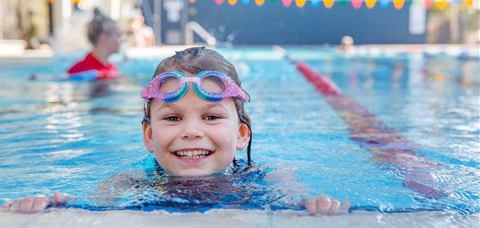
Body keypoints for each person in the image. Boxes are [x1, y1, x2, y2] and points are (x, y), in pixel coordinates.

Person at [2, 47, 351, 215]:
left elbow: (295, 200)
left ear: (242, 134)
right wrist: (54, 201)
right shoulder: (128, 181)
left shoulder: (271, 177)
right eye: (172, 118)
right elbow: (92, 206)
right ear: (149, 136)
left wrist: (312, 204)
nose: (191, 131)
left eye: (211, 117)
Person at [66, 8, 124, 80]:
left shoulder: (112, 69)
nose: (122, 40)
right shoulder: (79, 71)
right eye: (118, 35)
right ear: (104, 38)